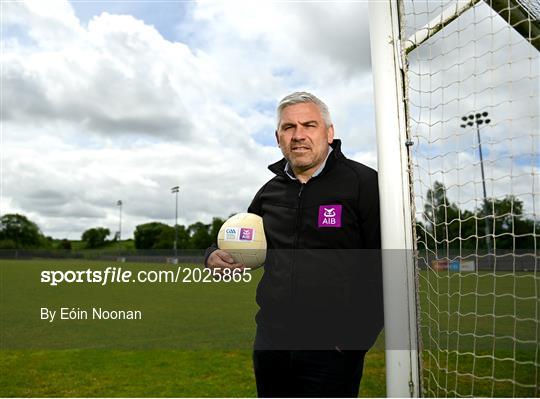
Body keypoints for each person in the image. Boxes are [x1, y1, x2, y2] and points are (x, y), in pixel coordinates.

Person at [205, 92, 383, 397]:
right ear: (277, 138)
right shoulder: (269, 192)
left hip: (333, 350)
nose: (298, 135)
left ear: (329, 132)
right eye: (288, 127)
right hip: (272, 342)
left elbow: (385, 266)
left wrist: (355, 339)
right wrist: (212, 256)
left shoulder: (363, 183)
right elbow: (239, 237)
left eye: (309, 125)